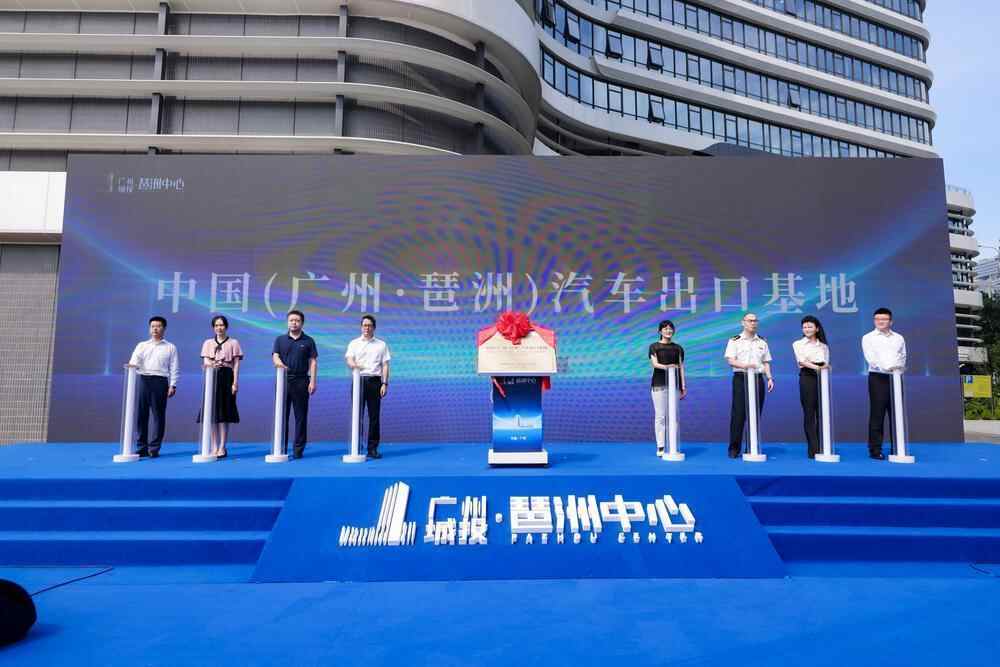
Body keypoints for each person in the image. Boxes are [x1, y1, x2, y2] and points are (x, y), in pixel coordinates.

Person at [127, 316, 179, 459]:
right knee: (141, 415)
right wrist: (132, 365)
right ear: (150, 329)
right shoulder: (142, 345)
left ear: (164, 328)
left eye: (158, 326)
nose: (155, 329)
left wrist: (173, 384)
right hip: (144, 379)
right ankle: (142, 447)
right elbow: (134, 361)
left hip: (160, 381)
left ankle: (154, 448)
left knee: (158, 415)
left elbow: (174, 367)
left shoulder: (170, 347)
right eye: (152, 326)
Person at [725, 313, 774, 459]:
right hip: (741, 378)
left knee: (755, 413)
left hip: (758, 378)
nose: (753, 323)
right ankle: (734, 448)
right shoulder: (735, 340)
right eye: (750, 321)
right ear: (743, 323)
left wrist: (769, 378)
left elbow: (766, 362)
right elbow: (731, 360)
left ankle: (752, 447)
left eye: (755, 321)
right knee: (739, 414)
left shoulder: (762, 341)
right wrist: (745, 366)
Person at [272, 310, 318, 459]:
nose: (294, 323)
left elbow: (313, 362)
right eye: (291, 320)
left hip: (301, 381)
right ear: (287, 322)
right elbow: (275, 356)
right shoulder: (280, 340)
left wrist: (313, 381)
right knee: (282, 415)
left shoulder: (308, 341)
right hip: (283, 381)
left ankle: (298, 450)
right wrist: (279, 364)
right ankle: (281, 447)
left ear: (302, 323)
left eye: (297, 320)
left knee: (301, 417)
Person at [861, 307, 906, 460]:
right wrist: (887, 368)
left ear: (890, 321)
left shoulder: (899, 338)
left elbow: (903, 356)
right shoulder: (868, 337)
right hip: (878, 377)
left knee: (896, 413)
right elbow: (871, 359)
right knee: (877, 414)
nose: (881, 321)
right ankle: (875, 449)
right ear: (874, 321)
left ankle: (898, 448)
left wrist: (897, 369)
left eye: (884, 319)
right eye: (878, 319)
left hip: (896, 377)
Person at [345, 314, 391, 459]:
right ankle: (356, 446)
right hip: (358, 380)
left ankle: (372, 449)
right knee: (357, 415)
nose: (367, 328)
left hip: (375, 382)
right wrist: (354, 366)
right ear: (361, 327)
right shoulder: (354, 343)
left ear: (374, 328)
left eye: (369, 325)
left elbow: (385, 365)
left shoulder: (381, 344)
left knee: (374, 417)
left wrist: (384, 383)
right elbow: (349, 359)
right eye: (364, 325)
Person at [197, 315, 243, 459]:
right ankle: (214, 446)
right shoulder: (208, 343)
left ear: (226, 327)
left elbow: (236, 365)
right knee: (211, 413)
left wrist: (235, 383)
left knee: (224, 413)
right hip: (212, 376)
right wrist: (212, 364)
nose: (219, 328)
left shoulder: (234, 342)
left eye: (221, 325)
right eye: (216, 325)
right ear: (213, 327)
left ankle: (222, 446)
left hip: (227, 376)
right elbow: (205, 361)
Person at [793, 315, 830, 459]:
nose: (807, 329)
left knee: (822, 412)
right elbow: (802, 361)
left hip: (822, 377)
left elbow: (826, 362)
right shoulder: (798, 344)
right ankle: (813, 448)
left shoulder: (823, 346)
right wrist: (817, 367)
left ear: (817, 329)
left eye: (810, 326)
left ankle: (823, 445)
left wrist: (822, 367)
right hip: (807, 377)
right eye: (804, 327)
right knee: (809, 413)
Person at [648, 319, 686, 457]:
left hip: (673, 385)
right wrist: (667, 367)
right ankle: (661, 446)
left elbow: (681, 367)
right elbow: (655, 364)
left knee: (673, 416)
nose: (668, 331)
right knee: (660, 416)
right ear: (660, 331)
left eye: (670, 328)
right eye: (665, 329)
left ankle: (673, 444)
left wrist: (683, 386)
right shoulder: (654, 346)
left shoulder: (678, 348)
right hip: (659, 385)